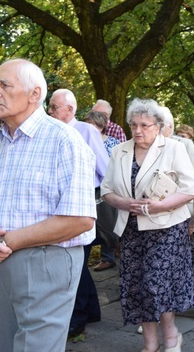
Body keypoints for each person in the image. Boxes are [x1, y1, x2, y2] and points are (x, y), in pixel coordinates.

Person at [0, 59, 97, 351]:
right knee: (3, 346)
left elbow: (80, 219)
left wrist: (7, 240)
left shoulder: (65, 140)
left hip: (46, 261)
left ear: (34, 94)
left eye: (4, 85)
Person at [100, 98, 194, 352]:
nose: (138, 130)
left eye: (145, 125)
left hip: (166, 228)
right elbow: (106, 191)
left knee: (157, 285)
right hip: (131, 230)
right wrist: (123, 202)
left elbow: (189, 190)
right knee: (137, 286)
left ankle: (172, 337)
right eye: (134, 125)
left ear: (158, 126)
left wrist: (160, 206)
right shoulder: (119, 150)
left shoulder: (174, 148)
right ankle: (150, 343)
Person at [47, 88, 109, 336]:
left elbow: (104, 167)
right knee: (77, 261)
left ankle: (78, 316)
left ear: (69, 110)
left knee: (75, 261)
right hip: (61, 203)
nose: (49, 111)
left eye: (53, 107)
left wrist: (105, 200)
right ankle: (92, 310)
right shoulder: (52, 132)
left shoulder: (85, 131)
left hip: (86, 202)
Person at [160, 106, 194, 321]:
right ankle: (162, 312)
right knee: (163, 262)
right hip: (158, 214)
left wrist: (174, 193)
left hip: (186, 209)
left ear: (170, 127)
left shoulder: (184, 144)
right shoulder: (143, 147)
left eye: (159, 124)